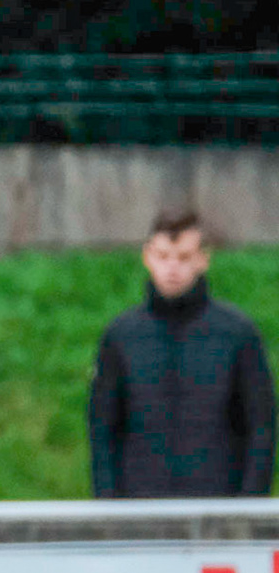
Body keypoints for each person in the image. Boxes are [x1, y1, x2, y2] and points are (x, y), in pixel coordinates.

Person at [89, 208, 275, 498]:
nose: (172, 268)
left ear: (203, 259)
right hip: (139, 513)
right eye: (163, 256)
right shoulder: (121, 337)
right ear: (147, 257)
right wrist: (109, 509)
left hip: (217, 513)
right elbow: (103, 431)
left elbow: (260, 429)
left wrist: (246, 510)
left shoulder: (238, 335)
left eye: (184, 257)